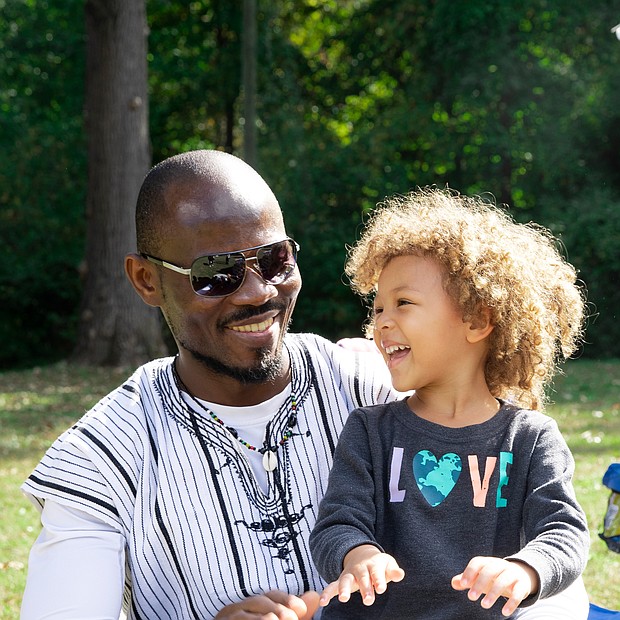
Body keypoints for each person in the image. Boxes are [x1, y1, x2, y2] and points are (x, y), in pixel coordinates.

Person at [19, 152, 589, 620]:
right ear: (146, 280)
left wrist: (526, 579)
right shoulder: (98, 461)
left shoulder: (382, 383)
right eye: (215, 272)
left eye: (272, 259)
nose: (254, 291)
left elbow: (551, 566)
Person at [309, 187, 591, 619]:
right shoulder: (369, 430)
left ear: (477, 320)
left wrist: (525, 569)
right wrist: (358, 554)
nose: (382, 320)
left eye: (403, 303)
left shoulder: (530, 439)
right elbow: (337, 522)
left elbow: (563, 531)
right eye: (378, 307)